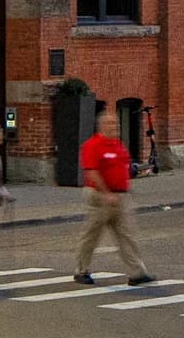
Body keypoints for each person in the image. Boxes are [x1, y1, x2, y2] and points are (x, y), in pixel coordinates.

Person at [74, 102, 152, 286]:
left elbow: (125, 167)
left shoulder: (118, 145)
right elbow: (91, 171)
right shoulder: (93, 145)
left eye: (116, 124)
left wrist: (128, 188)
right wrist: (106, 193)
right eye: (110, 124)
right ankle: (81, 270)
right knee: (91, 235)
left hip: (120, 197)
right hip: (100, 196)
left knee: (127, 235)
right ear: (101, 126)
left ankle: (137, 273)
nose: (115, 127)